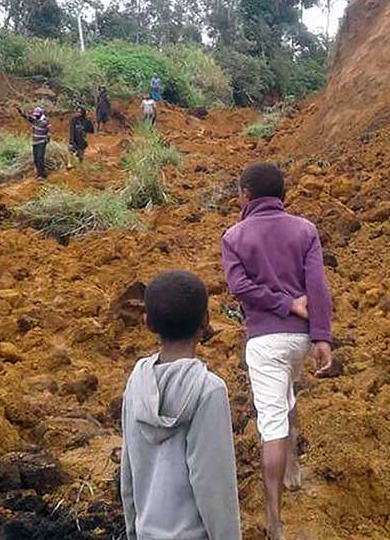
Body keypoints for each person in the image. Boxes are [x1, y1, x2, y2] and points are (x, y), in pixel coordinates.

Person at [220, 162, 333, 540]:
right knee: (286, 393)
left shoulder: (234, 236)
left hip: (264, 341)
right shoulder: (305, 230)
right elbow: (316, 286)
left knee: (270, 422)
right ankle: (294, 470)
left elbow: (239, 287)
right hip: (300, 339)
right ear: (281, 195)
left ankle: (274, 522)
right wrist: (321, 337)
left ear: (246, 196)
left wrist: (280, 305)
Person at [120, 270, 241, 540]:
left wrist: (133, 530)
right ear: (206, 321)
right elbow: (213, 485)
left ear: (147, 322)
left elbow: (128, 472)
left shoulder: (136, 383)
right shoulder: (209, 391)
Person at [16, 105, 50, 179]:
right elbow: (27, 117)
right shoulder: (35, 120)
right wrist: (21, 112)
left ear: (41, 114)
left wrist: (47, 137)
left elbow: (47, 130)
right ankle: (39, 174)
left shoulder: (44, 121)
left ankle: (42, 175)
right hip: (35, 142)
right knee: (35, 159)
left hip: (41, 142)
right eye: (35, 115)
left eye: (37, 115)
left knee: (40, 158)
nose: (36, 116)